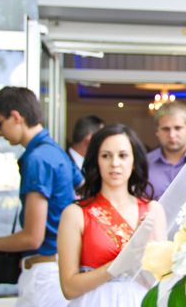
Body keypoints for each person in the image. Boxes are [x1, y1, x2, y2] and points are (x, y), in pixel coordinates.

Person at [0, 86, 83, 307]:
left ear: (16, 117)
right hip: (60, 265)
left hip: (44, 274)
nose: (0, 132)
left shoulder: (37, 158)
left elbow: (33, 236)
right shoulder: (56, 150)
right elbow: (82, 188)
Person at [57, 124, 166, 306]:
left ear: (134, 161)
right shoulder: (75, 214)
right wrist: (119, 263)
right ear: (96, 161)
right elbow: (69, 288)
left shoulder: (153, 210)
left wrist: (140, 255)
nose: (115, 163)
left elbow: (160, 280)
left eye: (123, 156)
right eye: (106, 156)